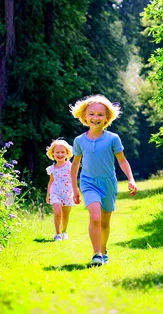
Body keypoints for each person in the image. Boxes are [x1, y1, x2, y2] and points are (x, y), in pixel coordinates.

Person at [70, 94, 137, 265]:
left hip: (108, 183)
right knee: (95, 218)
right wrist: (75, 188)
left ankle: (103, 249)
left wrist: (131, 179)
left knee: (105, 223)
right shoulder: (79, 141)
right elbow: (75, 165)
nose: (95, 118)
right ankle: (96, 254)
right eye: (91, 114)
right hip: (88, 182)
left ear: (107, 117)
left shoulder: (112, 138)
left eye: (100, 114)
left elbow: (122, 160)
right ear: (84, 116)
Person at [46, 139, 75, 241]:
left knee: (66, 214)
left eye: (63, 152)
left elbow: (74, 179)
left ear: (67, 153)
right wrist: (48, 194)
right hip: (56, 192)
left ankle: (64, 231)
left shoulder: (70, 166)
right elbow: (51, 181)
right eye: (57, 152)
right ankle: (57, 234)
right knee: (58, 212)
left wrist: (76, 192)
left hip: (67, 193)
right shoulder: (51, 168)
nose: (60, 154)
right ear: (52, 153)